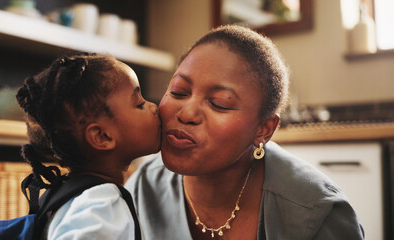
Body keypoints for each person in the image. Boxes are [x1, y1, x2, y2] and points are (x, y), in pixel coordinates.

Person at [125, 25, 364, 239]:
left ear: (264, 129)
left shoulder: (316, 215)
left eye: (219, 103)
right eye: (178, 92)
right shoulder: (142, 189)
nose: (186, 114)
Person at [16, 52, 161, 239]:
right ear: (102, 137)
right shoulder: (102, 204)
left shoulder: (67, 193)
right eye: (140, 104)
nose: (154, 107)